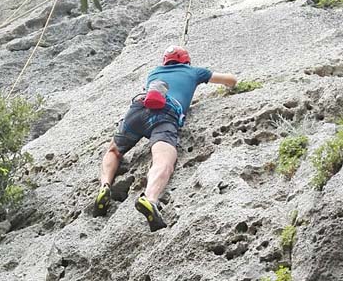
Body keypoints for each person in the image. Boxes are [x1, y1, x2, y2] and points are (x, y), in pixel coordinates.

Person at [93, 45, 237, 231]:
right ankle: (150, 199)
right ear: (186, 61)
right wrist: (231, 86)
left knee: (113, 150)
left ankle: (105, 185)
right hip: (164, 114)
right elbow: (230, 80)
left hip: (137, 110)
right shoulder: (194, 72)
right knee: (163, 162)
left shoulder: (154, 72)